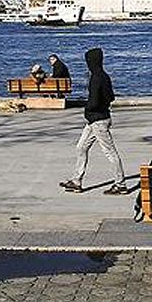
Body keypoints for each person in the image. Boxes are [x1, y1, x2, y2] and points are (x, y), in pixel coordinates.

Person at [59, 48, 127, 195]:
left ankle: (120, 184)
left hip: (98, 120)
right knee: (81, 147)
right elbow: (111, 97)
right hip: (96, 120)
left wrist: (88, 108)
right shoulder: (104, 76)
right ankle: (76, 181)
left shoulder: (96, 78)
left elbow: (94, 102)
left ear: (91, 62)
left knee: (110, 152)